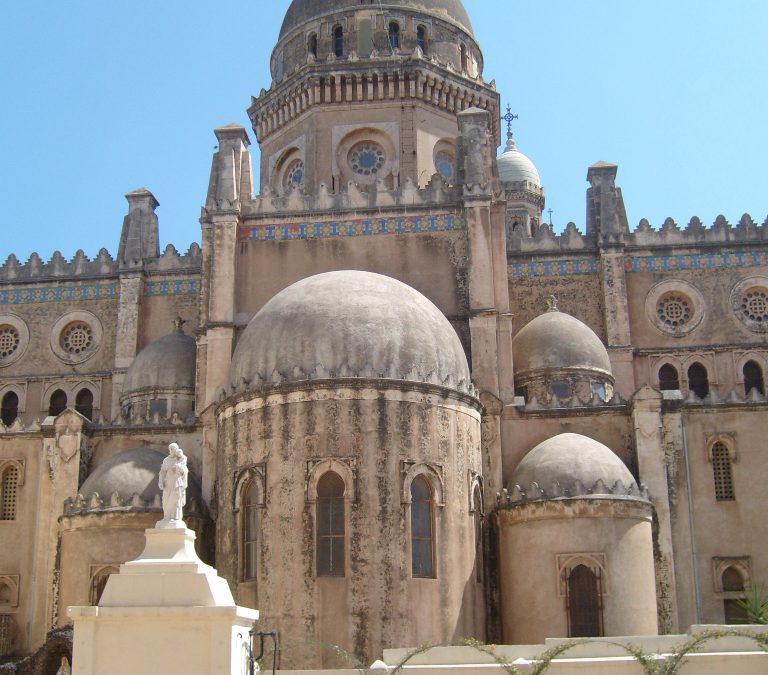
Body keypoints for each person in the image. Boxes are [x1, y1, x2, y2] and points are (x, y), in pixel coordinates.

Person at [157, 442, 188, 527]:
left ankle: (175, 517)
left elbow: (184, 470)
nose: (171, 450)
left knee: (176, 499)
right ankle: (167, 517)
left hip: (177, 482)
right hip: (168, 483)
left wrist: (179, 465)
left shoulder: (182, 458)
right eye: (170, 449)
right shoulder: (166, 460)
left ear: (176, 449)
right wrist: (161, 481)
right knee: (166, 499)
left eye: (173, 449)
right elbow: (162, 471)